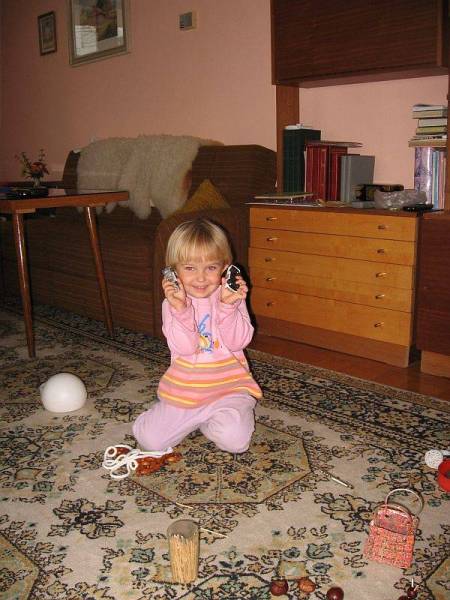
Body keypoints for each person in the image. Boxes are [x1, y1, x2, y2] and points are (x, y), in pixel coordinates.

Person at [132, 218, 261, 454]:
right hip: (186, 392)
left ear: (224, 268)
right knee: (151, 441)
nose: (201, 278)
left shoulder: (231, 298)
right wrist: (181, 311)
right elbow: (185, 347)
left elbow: (239, 341)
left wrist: (227, 308)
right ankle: (184, 418)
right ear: (173, 271)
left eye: (210, 268)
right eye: (190, 268)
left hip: (229, 391)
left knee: (236, 442)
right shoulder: (172, 304)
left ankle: (210, 420)